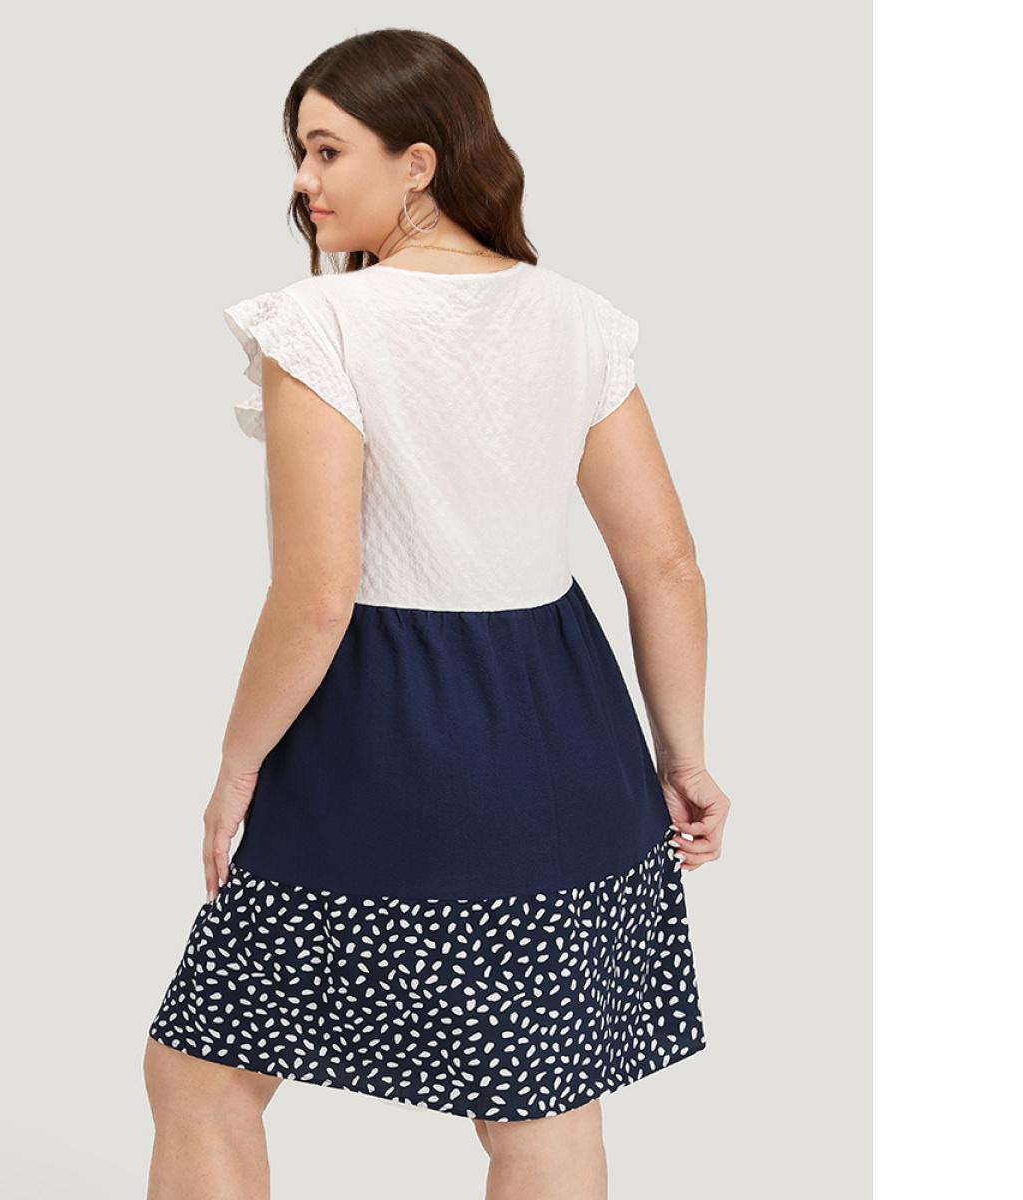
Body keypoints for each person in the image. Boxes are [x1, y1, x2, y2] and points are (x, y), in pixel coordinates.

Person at [143, 27, 730, 1200]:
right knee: (541, 1110)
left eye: (327, 151)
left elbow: (316, 596)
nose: (303, 182)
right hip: (570, 739)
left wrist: (238, 764)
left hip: (386, 740)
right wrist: (685, 760)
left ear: (418, 162)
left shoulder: (320, 325)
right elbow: (665, 564)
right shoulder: (579, 317)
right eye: (300, 153)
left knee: (202, 1075)